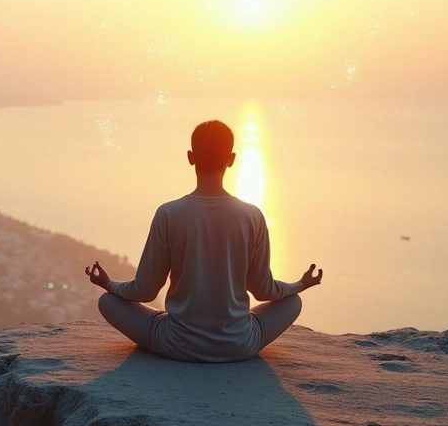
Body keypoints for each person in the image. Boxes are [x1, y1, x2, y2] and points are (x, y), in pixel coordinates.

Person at [85, 119, 323, 362]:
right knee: (292, 302)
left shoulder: (169, 213)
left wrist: (108, 284)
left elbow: (144, 291)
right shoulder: (252, 216)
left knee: (108, 302)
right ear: (231, 159)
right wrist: (300, 284)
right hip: (239, 345)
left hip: (176, 345)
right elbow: (264, 291)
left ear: (191, 157)